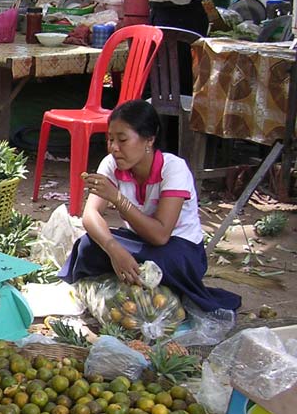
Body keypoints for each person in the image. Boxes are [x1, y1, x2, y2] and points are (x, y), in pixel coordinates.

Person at [60, 100, 241, 313]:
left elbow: (161, 235)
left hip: (178, 248)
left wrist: (118, 198)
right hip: (139, 243)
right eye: (110, 139)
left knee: (163, 261)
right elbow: (90, 214)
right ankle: (126, 280)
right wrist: (113, 248)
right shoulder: (111, 164)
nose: (114, 148)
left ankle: (150, 286)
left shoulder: (174, 168)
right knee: (87, 245)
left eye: (123, 140)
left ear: (149, 140)